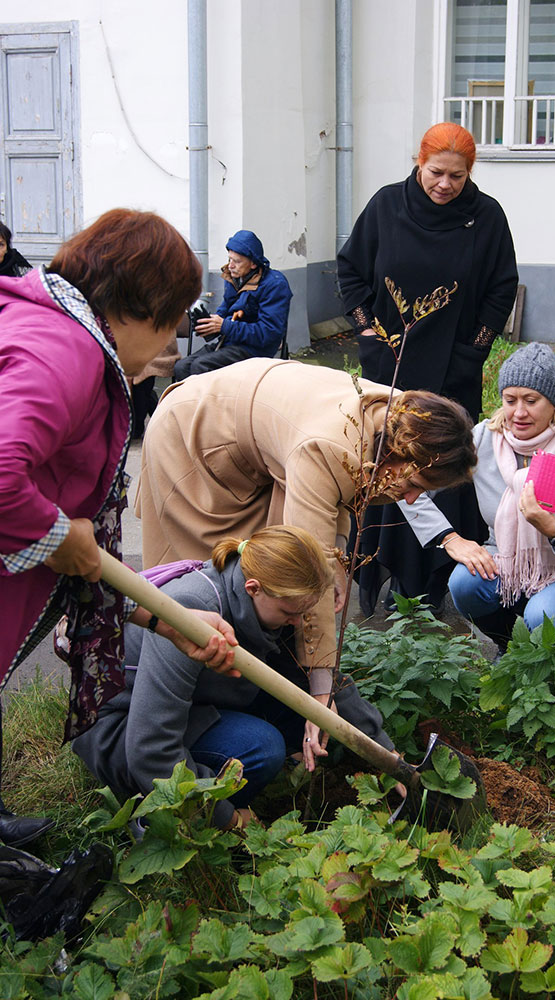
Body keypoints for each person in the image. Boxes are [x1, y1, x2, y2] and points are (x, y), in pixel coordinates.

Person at [0, 209, 237, 847]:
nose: (170, 345)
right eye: (172, 323)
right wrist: (55, 536)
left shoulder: (49, 325)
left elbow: (85, 550)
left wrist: (161, 617)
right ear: (143, 306)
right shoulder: (66, 350)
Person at [135, 356, 478, 744]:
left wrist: (337, 566)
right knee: (220, 594)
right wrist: (321, 691)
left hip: (264, 452)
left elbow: (339, 499)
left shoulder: (408, 419)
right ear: (401, 453)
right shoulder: (331, 444)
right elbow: (307, 573)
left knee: (273, 594)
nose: (413, 499)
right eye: (415, 484)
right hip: (196, 440)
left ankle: (258, 708)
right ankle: (182, 732)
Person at [73, 525, 401, 831]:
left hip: (195, 704)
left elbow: (321, 682)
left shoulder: (268, 601)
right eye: (291, 615)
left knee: (319, 718)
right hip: (122, 729)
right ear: (253, 588)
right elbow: (150, 748)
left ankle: (222, 779)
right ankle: (160, 815)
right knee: (261, 746)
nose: (298, 624)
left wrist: (391, 758)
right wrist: (228, 818)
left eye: (304, 613)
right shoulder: (191, 611)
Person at [337, 122, 518, 615]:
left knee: (445, 471)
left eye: (457, 177)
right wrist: (369, 334)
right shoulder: (385, 206)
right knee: (385, 469)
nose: (445, 184)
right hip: (387, 372)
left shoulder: (485, 217)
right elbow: (350, 270)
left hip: (453, 377)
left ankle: (444, 584)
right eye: (437, 172)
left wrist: (471, 353)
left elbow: (503, 289)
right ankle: (377, 576)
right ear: (420, 163)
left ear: (469, 174)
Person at [420, 343, 555, 652]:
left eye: (531, 401)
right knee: (464, 585)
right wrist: (448, 538)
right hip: (505, 556)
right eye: (510, 400)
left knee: (546, 616)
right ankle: (514, 650)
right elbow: (411, 486)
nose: (519, 412)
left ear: (554, 403)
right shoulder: (482, 439)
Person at [173, 230, 292, 380]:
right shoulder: (233, 278)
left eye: (237, 261)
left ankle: (215, 403)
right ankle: (191, 403)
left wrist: (224, 326)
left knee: (201, 367)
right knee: (181, 367)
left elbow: (269, 333)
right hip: (231, 342)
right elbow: (225, 310)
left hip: (255, 349)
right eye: (230, 259)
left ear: (254, 263)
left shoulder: (274, 284)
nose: (230, 266)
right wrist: (208, 323)